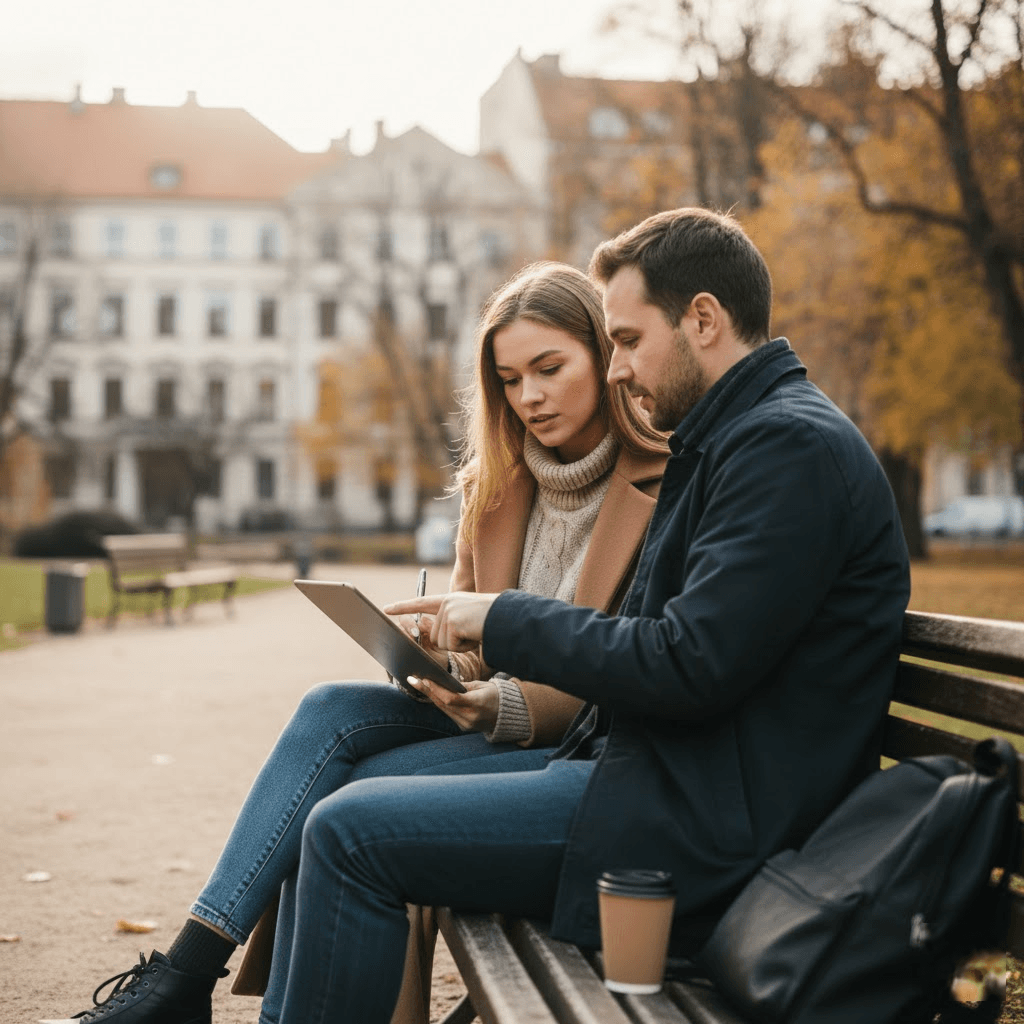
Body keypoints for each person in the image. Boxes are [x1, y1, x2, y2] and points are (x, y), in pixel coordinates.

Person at [259, 206, 911, 1023]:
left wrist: (503, 619)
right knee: (335, 800)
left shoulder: (785, 448)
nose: (618, 370)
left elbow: (685, 665)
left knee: (347, 832)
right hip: (656, 781)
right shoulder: (738, 438)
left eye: (629, 340)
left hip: (700, 824)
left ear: (703, 319)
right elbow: (670, 650)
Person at [60, 262, 669, 1024]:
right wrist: (433, 657)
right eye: (510, 379)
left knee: (341, 800)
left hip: (569, 744)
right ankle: (187, 970)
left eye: (550, 369)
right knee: (328, 710)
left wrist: (500, 701)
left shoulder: (664, 484)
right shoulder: (496, 486)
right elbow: (475, 649)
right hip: (487, 718)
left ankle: (186, 990)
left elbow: (627, 667)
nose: (530, 397)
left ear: (605, 357)